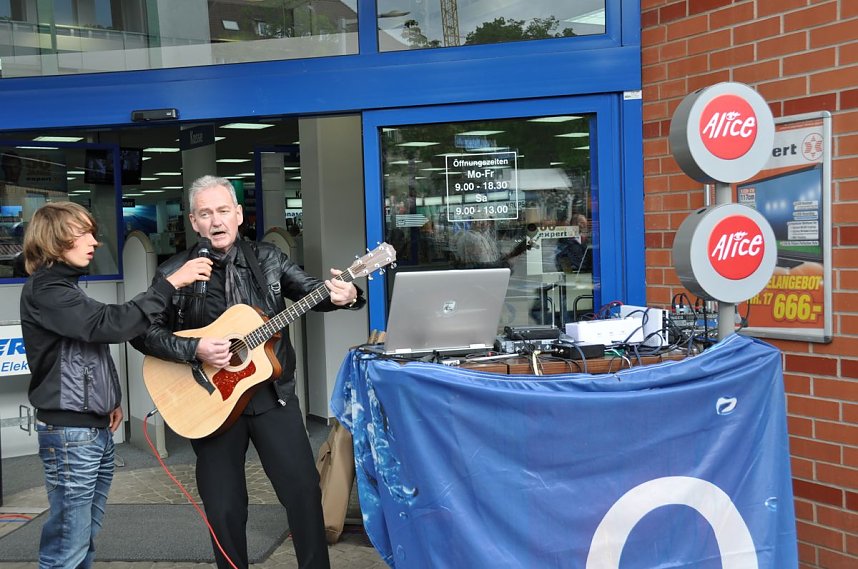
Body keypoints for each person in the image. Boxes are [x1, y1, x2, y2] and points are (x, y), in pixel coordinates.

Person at [132, 175, 364, 569]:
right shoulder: (175, 271)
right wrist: (195, 348)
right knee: (224, 508)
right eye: (206, 213)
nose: (216, 221)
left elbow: (312, 291)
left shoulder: (269, 258)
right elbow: (142, 331)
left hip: (272, 396)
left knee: (304, 495)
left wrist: (348, 295)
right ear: (193, 221)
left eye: (224, 210)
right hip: (212, 401)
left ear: (239, 214)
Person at [19, 201, 211, 569]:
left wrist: (112, 400)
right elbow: (111, 325)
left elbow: (86, 348)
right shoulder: (48, 291)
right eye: (83, 233)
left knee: (82, 539)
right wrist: (171, 282)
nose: (95, 241)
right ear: (55, 241)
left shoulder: (64, 288)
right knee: (67, 546)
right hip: (71, 435)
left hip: (90, 429)